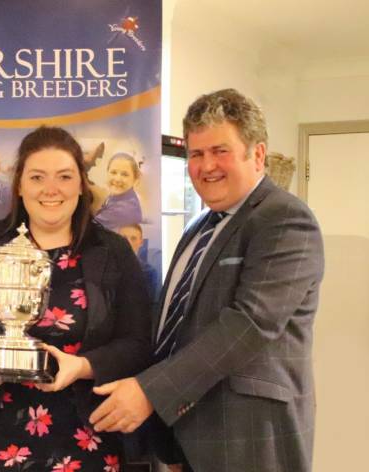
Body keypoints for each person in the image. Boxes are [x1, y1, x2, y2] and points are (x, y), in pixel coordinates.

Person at [89, 89, 325, 472]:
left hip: (247, 437)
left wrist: (151, 392)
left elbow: (250, 323)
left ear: (258, 154)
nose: (206, 165)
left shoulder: (284, 219)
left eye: (220, 151)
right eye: (196, 154)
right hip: (181, 432)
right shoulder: (199, 226)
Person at [0, 126, 152, 471]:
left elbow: (139, 342)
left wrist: (82, 366)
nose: (51, 189)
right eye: (37, 177)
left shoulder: (112, 251)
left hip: (88, 433)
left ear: (81, 185)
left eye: (64, 177)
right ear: (19, 186)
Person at [95, 152, 143, 230]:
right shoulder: (115, 197)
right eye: (113, 172)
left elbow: (88, 230)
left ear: (135, 180)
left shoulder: (123, 209)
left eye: (124, 174)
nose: (117, 179)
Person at [118, 224, 160, 302]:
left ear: (141, 242)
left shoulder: (149, 272)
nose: (128, 242)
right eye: (123, 238)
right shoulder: (106, 269)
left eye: (133, 238)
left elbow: (150, 305)